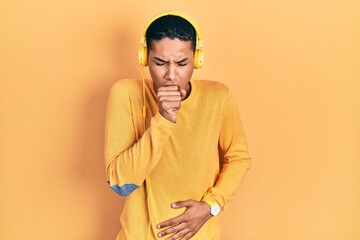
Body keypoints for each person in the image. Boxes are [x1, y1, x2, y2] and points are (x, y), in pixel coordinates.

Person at [104, 11, 251, 240]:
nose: (171, 75)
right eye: (160, 62)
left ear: (197, 60)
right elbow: (120, 183)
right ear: (145, 58)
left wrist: (211, 206)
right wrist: (164, 119)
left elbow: (239, 158)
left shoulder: (218, 97)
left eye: (182, 63)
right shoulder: (126, 94)